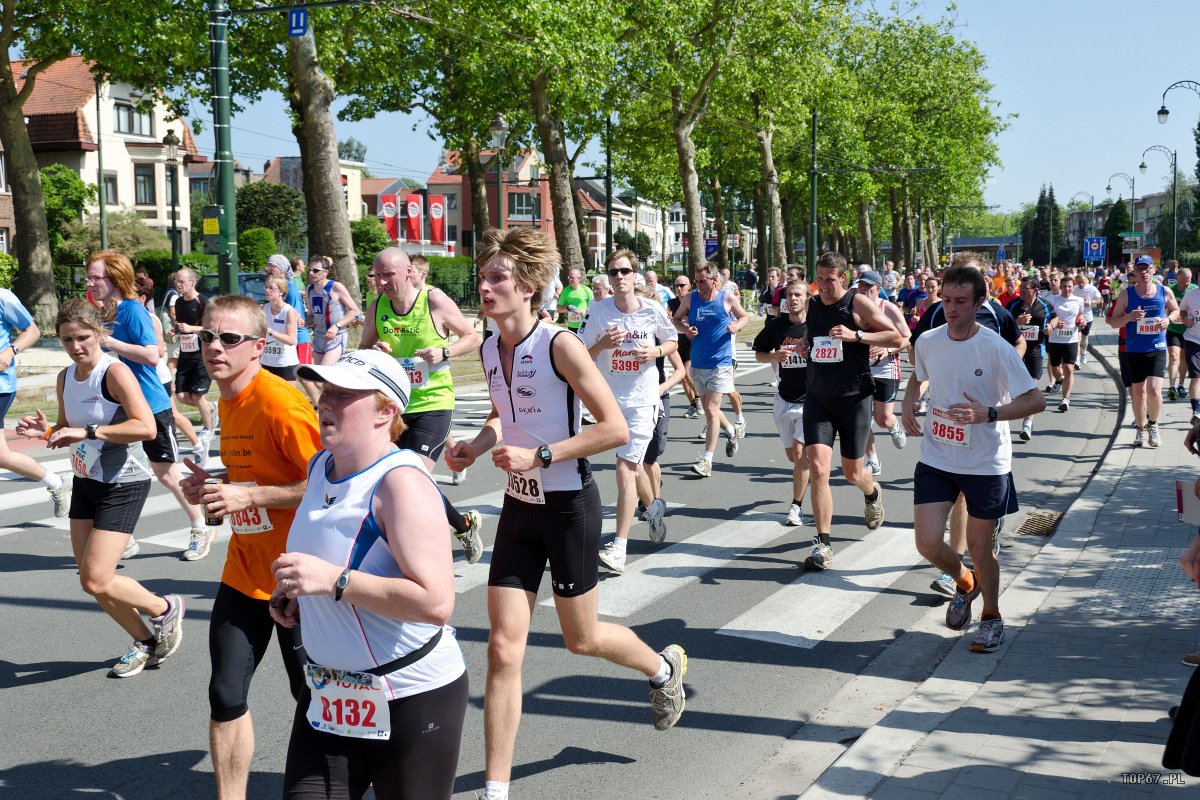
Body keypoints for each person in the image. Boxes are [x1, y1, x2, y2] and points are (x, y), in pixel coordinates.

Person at [444, 227, 687, 800]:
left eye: (498, 278)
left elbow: (615, 429)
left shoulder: (561, 345)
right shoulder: (487, 348)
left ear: (528, 287)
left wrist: (543, 454)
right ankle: (496, 791)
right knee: (503, 648)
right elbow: (506, 415)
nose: (485, 286)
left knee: (581, 639)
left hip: (570, 506)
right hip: (519, 507)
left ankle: (662, 668)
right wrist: (474, 448)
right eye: (483, 277)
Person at [269, 349, 468, 800]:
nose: (324, 403)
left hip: (411, 696)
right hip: (329, 693)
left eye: (342, 395)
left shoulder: (402, 483)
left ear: (386, 410)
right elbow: (332, 563)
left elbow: (436, 603)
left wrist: (333, 582)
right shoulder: (320, 466)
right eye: (325, 392)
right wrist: (301, 596)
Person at [179, 294, 322, 800]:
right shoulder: (226, 396)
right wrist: (217, 485)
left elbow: (327, 484)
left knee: (311, 700)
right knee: (225, 693)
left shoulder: (281, 403)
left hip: (297, 577)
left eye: (230, 338)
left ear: (259, 347)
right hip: (244, 570)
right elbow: (252, 475)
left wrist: (251, 494)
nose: (215, 347)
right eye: (207, 337)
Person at [16, 299, 183, 677]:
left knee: (96, 577)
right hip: (87, 480)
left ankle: (165, 609)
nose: (76, 346)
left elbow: (146, 428)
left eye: (83, 337)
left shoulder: (115, 373)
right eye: (67, 339)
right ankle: (145, 641)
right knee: (90, 581)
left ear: (99, 334)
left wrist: (90, 431)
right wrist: (44, 432)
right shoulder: (65, 378)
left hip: (125, 481)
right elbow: (67, 429)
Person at [900, 265, 1045, 653]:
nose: (951, 308)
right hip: (937, 455)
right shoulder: (929, 340)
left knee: (982, 549)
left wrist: (990, 413)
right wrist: (909, 401)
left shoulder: (996, 347)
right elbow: (919, 374)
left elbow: (1036, 400)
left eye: (960, 301)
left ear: (980, 301)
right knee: (928, 544)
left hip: (985, 462)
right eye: (946, 300)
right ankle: (965, 583)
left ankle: (992, 617)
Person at [86, 250, 213, 561]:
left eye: (95, 277)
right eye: (88, 277)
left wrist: (111, 343)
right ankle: (122, 537)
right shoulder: (107, 312)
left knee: (166, 473)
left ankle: (202, 526)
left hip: (150, 404)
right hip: (120, 404)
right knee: (109, 470)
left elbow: (152, 354)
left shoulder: (132, 311)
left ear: (114, 278)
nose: (89, 283)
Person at [361, 247, 485, 562]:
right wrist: (376, 349)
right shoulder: (377, 307)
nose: (382, 282)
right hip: (395, 406)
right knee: (392, 480)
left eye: (388, 275)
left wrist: (444, 353)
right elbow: (363, 349)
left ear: (408, 272)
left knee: (413, 477)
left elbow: (472, 338)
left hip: (434, 402)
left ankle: (416, 555)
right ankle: (463, 524)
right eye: (378, 276)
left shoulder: (434, 302)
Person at [796, 252, 900, 569]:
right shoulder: (812, 304)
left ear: (844, 277)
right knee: (817, 469)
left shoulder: (857, 304)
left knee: (853, 472)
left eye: (831, 278)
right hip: (818, 397)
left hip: (854, 397)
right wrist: (804, 344)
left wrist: (857, 335)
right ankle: (823, 545)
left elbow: (896, 335)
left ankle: (871, 493)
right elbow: (811, 335)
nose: (824, 284)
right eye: (820, 277)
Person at [580, 250, 679, 572]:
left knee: (625, 468)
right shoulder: (598, 311)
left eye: (624, 271)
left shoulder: (651, 310)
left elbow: (673, 341)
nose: (619, 277)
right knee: (633, 469)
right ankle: (652, 507)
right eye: (613, 273)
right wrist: (602, 346)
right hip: (610, 401)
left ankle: (618, 548)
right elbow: (581, 354)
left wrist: (656, 350)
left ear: (635, 275)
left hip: (642, 399)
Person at [671, 262, 749, 477]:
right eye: (696, 281)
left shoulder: (726, 298)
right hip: (698, 362)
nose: (698, 285)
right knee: (707, 408)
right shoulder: (690, 299)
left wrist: (736, 326)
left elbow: (744, 317)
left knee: (712, 410)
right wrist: (686, 329)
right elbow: (676, 320)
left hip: (721, 363)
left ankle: (706, 461)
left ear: (714, 280)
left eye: (702, 281)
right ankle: (732, 431)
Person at [0, 287, 69, 514]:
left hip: (0, 386)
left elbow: (32, 330)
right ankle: (57, 483)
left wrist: (10, 351)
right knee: (1, 456)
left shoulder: (3, 297)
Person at [753, 279, 811, 527]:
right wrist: (773, 356)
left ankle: (795, 507)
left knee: (800, 453)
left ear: (808, 297)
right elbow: (759, 354)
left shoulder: (817, 327)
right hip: (784, 397)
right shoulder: (777, 326)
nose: (794, 298)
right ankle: (804, 474)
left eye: (798, 294)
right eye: (790, 295)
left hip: (811, 399)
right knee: (792, 456)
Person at [1109, 254, 1179, 448]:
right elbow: (1113, 321)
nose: (1144, 272)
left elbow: (1175, 310)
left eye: (1147, 268)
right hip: (1134, 349)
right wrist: (1129, 317)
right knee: (1139, 393)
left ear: (1153, 270)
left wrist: (1168, 320)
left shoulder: (1164, 291)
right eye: (1140, 269)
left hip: (1156, 348)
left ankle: (1154, 425)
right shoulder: (1126, 294)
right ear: (1135, 272)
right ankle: (1140, 429)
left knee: (1155, 390)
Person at [854, 270, 910, 478]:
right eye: (861, 286)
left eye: (868, 287)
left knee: (882, 418)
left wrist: (887, 349)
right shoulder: (852, 307)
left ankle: (894, 426)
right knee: (862, 418)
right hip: (860, 369)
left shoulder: (888, 308)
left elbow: (907, 337)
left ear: (878, 289)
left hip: (885, 367)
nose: (864, 290)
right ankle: (873, 460)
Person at [169, 268, 217, 464]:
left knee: (197, 395)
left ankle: (207, 430)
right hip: (185, 353)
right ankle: (210, 408)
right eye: (176, 281)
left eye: (182, 281)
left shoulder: (203, 302)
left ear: (192, 282)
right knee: (181, 396)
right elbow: (182, 325)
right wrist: (175, 331)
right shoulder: (179, 302)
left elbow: (212, 328)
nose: (178, 284)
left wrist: (191, 329)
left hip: (200, 354)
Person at [1005, 277, 1052, 440]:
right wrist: (1017, 322)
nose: (1022, 290)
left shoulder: (1044, 305)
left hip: (1035, 349)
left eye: (1025, 288)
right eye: (1021, 287)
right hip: (1016, 349)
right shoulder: (1012, 305)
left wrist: (1050, 327)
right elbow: (1004, 326)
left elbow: (1054, 317)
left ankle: (1027, 424)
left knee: (1031, 385)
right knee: (1013, 387)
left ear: (1035, 290)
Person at [267, 253, 317, 403]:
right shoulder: (273, 289)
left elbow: (295, 315)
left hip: (300, 338)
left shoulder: (291, 289)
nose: (268, 268)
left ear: (282, 270)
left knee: (305, 377)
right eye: (268, 265)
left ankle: (319, 406)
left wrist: (298, 321)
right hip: (282, 339)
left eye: (272, 266)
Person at [305, 254, 362, 366]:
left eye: (316, 270)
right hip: (318, 338)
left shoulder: (335, 287)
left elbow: (355, 311)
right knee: (315, 379)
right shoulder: (309, 290)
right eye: (310, 270)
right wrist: (302, 323)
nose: (312, 273)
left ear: (325, 272)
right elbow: (311, 317)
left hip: (336, 338)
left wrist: (337, 326)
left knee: (326, 375)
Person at [1045, 276, 1085, 412]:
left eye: (1069, 286)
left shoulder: (1079, 300)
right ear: (1060, 287)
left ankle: (1065, 399)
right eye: (1064, 286)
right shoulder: (1052, 299)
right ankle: (1059, 380)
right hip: (1055, 340)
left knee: (1068, 368)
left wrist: (1082, 321)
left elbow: (1081, 315)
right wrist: (1055, 324)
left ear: (1073, 287)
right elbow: (1047, 317)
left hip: (1071, 340)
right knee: (1056, 369)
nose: (1067, 289)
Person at [667, 274, 701, 419]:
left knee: (686, 373)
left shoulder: (694, 301)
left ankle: (699, 399)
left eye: (682, 285)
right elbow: (666, 318)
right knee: (682, 377)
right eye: (676, 286)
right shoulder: (671, 303)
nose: (679, 288)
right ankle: (693, 404)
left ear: (689, 287)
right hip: (677, 342)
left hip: (692, 342)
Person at [261, 275, 300, 381]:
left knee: (287, 397)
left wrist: (270, 331)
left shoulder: (289, 311)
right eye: (266, 287)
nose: (267, 290)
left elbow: (291, 340)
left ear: (281, 292)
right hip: (266, 362)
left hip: (285, 363)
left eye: (271, 288)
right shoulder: (264, 308)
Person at [1168, 267, 1196, 401]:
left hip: (1189, 332)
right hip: (1173, 330)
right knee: (1174, 356)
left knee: (1184, 358)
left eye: (1188, 280)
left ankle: (1180, 385)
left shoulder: (1194, 290)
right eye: (1183, 280)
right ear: (1177, 278)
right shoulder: (1170, 289)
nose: (1186, 283)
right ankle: (1171, 387)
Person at [1179, 280, 1200, 425]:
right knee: (1196, 377)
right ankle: (1196, 411)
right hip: (1193, 340)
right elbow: (1181, 311)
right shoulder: (1191, 295)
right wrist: (1185, 318)